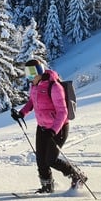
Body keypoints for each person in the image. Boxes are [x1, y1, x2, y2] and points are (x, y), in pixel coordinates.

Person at [11, 59, 86, 193]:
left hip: (58, 128)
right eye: (27, 73)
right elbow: (32, 102)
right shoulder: (34, 86)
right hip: (42, 127)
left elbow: (63, 112)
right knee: (41, 160)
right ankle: (47, 186)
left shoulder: (54, 86)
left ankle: (77, 175)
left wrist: (53, 130)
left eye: (32, 72)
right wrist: (21, 113)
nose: (30, 76)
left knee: (51, 159)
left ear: (40, 70)